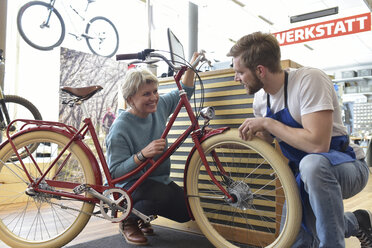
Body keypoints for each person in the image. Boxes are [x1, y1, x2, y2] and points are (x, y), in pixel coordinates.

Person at [227, 31, 372, 248]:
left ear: (260, 70)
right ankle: (358, 221)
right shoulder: (260, 98)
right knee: (295, 237)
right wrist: (255, 136)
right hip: (303, 177)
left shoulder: (309, 80)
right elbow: (271, 142)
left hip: (346, 167)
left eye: (239, 72)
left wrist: (268, 123)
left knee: (312, 165)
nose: (236, 78)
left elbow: (317, 145)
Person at [105, 53, 199, 246]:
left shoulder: (159, 106)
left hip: (156, 181)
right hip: (129, 186)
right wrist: (142, 155)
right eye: (146, 94)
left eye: (155, 91)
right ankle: (128, 221)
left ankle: (142, 216)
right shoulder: (120, 127)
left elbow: (185, 92)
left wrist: (191, 68)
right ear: (131, 99)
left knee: (186, 211)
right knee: (161, 195)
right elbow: (114, 173)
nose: (154, 97)